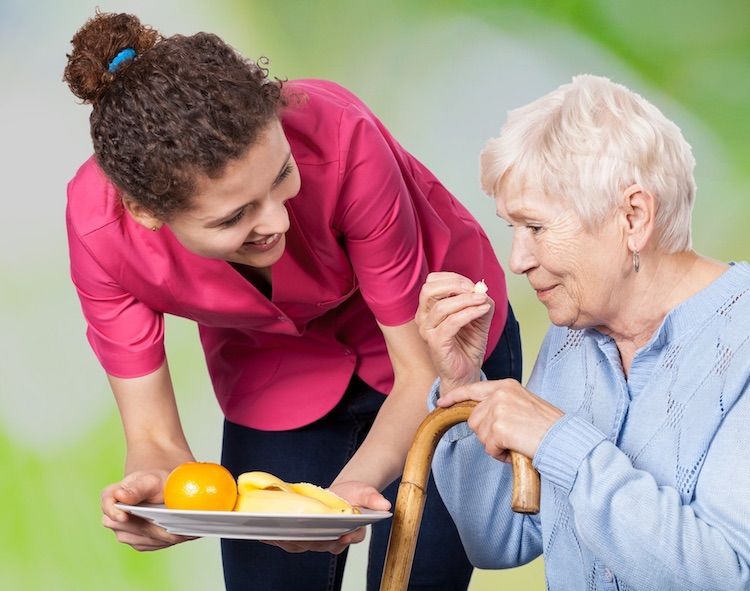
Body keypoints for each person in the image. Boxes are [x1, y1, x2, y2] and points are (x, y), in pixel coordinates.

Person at [62, 11, 522, 591]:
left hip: (435, 345)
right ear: (145, 211)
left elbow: (419, 373)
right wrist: (159, 492)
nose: (277, 220)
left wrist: (338, 499)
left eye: (283, 174)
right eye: (234, 216)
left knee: (419, 576)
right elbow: (153, 440)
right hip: (275, 368)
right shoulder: (99, 231)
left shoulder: (340, 133)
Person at [416, 74, 750, 590]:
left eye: (537, 228)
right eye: (512, 228)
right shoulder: (578, 335)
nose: (518, 260)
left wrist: (559, 441)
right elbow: (497, 541)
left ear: (633, 216)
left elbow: (726, 576)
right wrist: (461, 385)